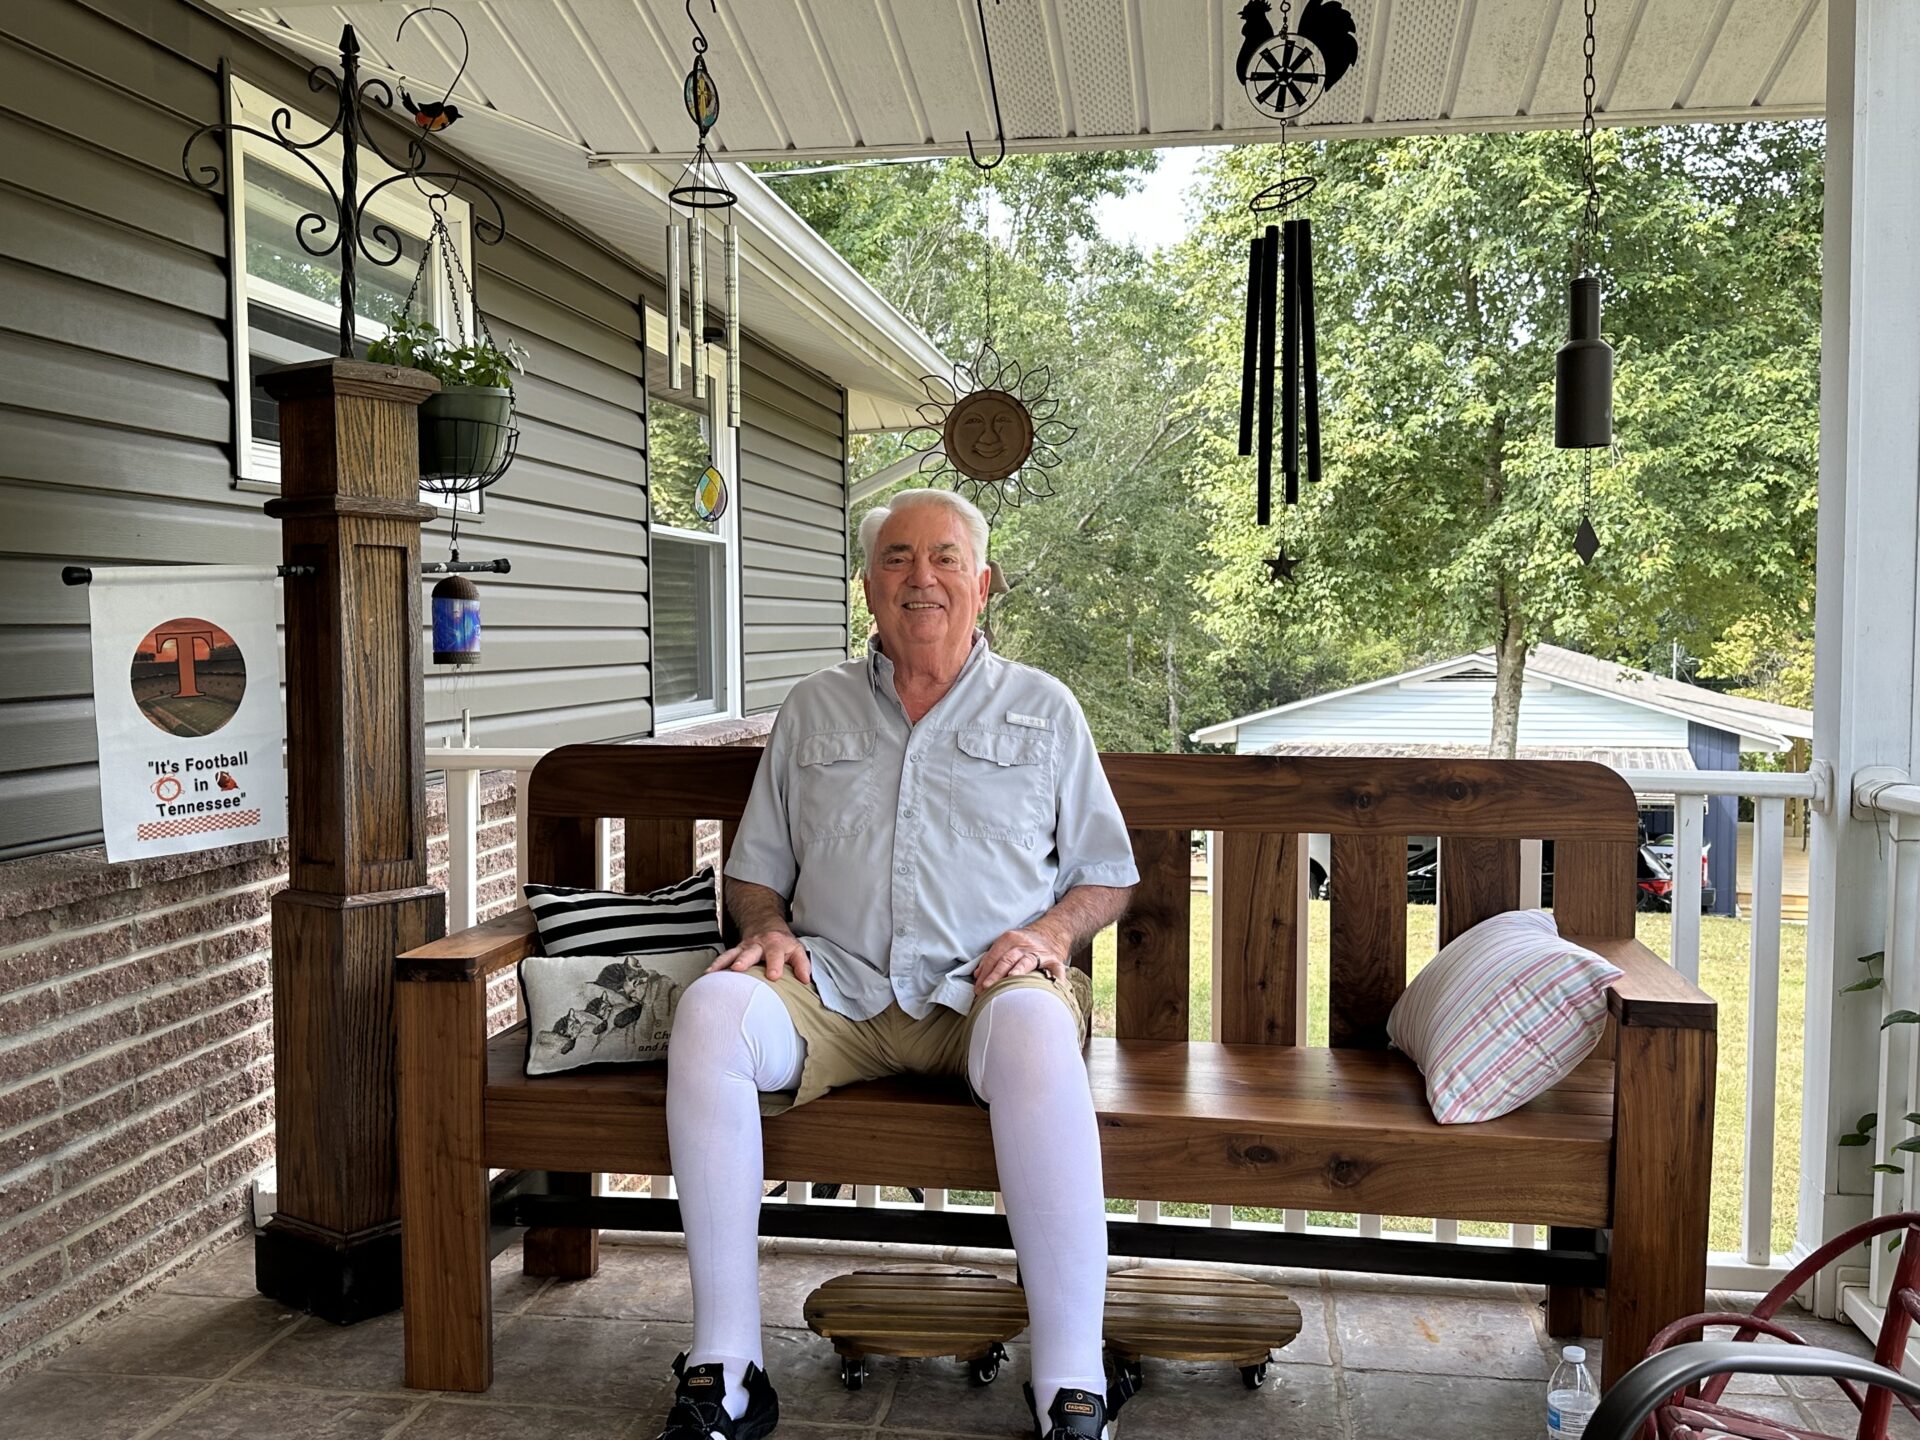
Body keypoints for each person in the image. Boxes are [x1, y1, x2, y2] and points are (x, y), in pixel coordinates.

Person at [651, 489, 1139, 1440]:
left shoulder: (1044, 710)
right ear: (869, 588)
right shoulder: (813, 708)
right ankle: (728, 1369)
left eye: (947, 558)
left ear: (982, 585)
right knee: (711, 1012)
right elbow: (755, 874)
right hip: (837, 987)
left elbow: (1105, 877)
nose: (924, 578)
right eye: (899, 560)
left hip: (985, 991)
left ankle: (1072, 1383)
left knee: (1040, 1029)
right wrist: (767, 925)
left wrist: (1051, 938)